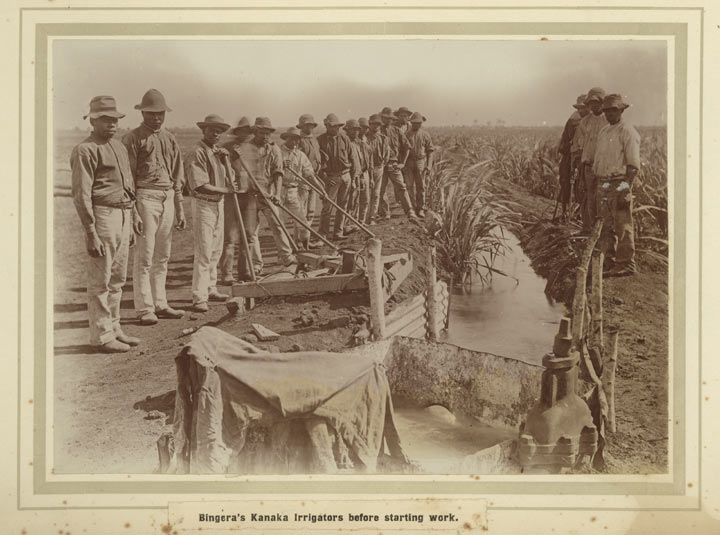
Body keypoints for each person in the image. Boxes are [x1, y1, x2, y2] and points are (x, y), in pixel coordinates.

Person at [70, 95, 141, 353]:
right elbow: (81, 194)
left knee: (118, 278)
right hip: (102, 215)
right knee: (101, 278)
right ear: (92, 120)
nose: (111, 124)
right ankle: (101, 336)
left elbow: (128, 186)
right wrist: (91, 232)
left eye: (114, 119)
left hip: (123, 214)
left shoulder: (119, 147)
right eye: (105, 119)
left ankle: (114, 327)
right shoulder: (85, 150)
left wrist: (132, 218)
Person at [122, 89, 185, 325]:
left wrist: (179, 206)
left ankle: (161, 303)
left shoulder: (169, 138)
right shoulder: (132, 138)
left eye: (159, 114)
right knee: (145, 256)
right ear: (143, 113)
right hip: (145, 196)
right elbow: (127, 176)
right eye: (151, 114)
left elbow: (177, 173)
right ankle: (144, 308)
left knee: (163, 256)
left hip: (166, 196)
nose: (156, 118)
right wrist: (133, 209)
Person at [185, 114, 235, 313]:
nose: (216, 133)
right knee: (204, 252)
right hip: (204, 204)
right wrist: (226, 191)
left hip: (218, 204)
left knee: (216, 249)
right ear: (203, 130)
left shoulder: (219, 153)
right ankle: (199, 297)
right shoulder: (196, 152)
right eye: (212, 129)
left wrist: (228, 160)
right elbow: (201, 186)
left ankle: (211, 288)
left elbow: (229, 181)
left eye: (219, 130)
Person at [232, 117, 295, 271]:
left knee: (278, 225)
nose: (265, 136)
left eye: (268, 133)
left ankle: (287, 258)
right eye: (262, 133)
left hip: (269, 193)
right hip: (250, 195)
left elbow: (278, 173)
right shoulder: (245, 148)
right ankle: (257, 264)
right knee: (251, 232)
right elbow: (238, 171)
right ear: (255, 132)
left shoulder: (274, 149)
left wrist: (277, 194)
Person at [594, 94, 641, 277]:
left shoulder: (627, 131)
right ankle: (609, 261)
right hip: (603, 183)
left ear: (621, 110)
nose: (609, 114)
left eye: (613, 110)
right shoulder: (605, 131)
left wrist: (625, 188)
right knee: (605, 224)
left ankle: (626, 264)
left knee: (622, 224)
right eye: (606, 110)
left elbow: (633, 165)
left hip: (619, 182)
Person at [219, 116, 253, 284]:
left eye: (247, 131)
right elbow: (219, 170)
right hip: (232, 196)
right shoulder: (226, 148)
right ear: (237, 132)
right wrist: (232, 156)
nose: (245, 134)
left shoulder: (254, 148)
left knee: (249, 236)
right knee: (230, 237)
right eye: (242, 131)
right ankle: (226, 273)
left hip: (250, 197)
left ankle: (245, 272)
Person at [279, 127, 323, 249]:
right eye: (293, 139)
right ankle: (284, 254)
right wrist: (280, 166)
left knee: (302, 222)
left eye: (298, 140)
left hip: (293, 190)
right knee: (279, 224)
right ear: (286, 138)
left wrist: (321, 190)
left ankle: (305, 248)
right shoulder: (277, 152)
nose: (296, 142)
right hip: (278, 189)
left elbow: (310, 175)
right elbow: (268, 171)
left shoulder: (300, 155)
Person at [317, 113, 357, 240]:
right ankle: (323, 234)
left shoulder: (344, 138)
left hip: (346, 176)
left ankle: (338, 232)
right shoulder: (320, 140)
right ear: (327, 126)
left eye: (338, 126)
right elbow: (317, 163)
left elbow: (353, 158)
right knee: (327, 208)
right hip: (331, 178)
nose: (336, 129)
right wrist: (324, 178)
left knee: (343, 206)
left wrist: (354, 178)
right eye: (333, 126)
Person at [574, 87, 608, 233]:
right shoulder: (585, 122)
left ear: (602, 103)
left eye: (596, 103)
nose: (594, 106)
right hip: (588, 165)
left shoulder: (608, 120)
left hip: (604, 166)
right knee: (588, 196)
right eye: (591, 103)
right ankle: (587, 228)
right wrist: (579, 164)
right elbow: (580, 145)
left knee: (602, 197)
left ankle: (601, 231)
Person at [378, 106, 418, 222]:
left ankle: (410, 211)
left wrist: (402, 163)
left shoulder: (397, 131)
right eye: (385, 118)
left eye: (390, 118)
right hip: (380, 165)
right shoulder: (377, 131)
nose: (387, 120)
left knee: (401, 187)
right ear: (382, 118)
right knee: (381, 189)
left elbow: (407, 148)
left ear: (392, 119)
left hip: (393, 164)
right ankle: (385, 213)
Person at [556, 94, 588, 221]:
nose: (581, 111)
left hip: (585, 158)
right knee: (565, 182)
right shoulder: (573, 121)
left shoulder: (596, 121)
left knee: (582, 186)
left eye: (583, 108)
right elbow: (564, 141)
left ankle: (580, 213)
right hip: (570, 156)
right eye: (579, 108)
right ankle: (565, 211)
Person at [296, 114, 323, 248]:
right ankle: (298, 242)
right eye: (307, 125)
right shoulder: (298, 141)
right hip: (303, 180)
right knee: (300, 212)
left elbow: (317, 155)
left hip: (314, 178)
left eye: (311, 125)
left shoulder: (314, 140)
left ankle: (306, 240)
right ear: (301, 126)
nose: (310, 127)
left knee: (310, 212)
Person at [403, 112, 434, 218]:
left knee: (421, 187)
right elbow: (402, 151)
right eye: (415, 123)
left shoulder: (425, 135)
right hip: (409, 162)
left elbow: (430, 151)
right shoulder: (406, 134)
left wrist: (429, 165)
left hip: (421, 162)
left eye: (419, 123)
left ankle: (420, 208)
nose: (417, 125)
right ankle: (411, 208)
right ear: (411, 123)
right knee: (409, 186)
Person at [343, 119, 369, 232]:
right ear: (347, 130)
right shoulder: (345, 142)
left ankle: (355, 222)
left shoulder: (358, 143)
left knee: (357, 200)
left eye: (357, 130)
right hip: (350, 175)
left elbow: (363, 159)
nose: (355, 132)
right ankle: (345, 225)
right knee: (350, 201)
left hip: (360, 174)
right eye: (353, 130)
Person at [364, 113, 390, 224]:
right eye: (373, 124)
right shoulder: (364, 138)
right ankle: (363, 218)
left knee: (376, 193)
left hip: (378, 168)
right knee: (365, 194)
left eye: (378, 124)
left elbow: (387, 154)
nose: (375, 127)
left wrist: (382, 165)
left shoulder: (383, 139)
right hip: (366, 170)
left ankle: (372, 217)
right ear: (369, 125)